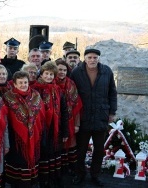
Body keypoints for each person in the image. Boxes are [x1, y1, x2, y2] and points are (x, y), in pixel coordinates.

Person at [70, 49, 117, 187]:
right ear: (84, 58)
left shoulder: (106, 71)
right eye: (89, 57)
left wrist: (112, 112)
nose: (92, 60)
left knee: (99, 149)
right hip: (83, 117)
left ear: (99, 58)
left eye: (95, 57)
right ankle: (80, 173)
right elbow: (72, 94)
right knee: (81, 149)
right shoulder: (76, 73)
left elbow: (112, 93)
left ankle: (95, 175)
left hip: (101, 116)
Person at [3, 71, 45, 188]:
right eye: (20, 83)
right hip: (16, 139)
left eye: (25, 82)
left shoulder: (36, 95)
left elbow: (41, 116)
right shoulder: (7, 97)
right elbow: (5, 118)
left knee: (30, 165)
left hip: (34, 136)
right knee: (18, 168)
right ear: (14, 84)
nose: (23, 85)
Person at [31, 61, 68, 188]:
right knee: (43, 155)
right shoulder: (35, 89)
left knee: (54, 154)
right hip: (41, 129)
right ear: (41, 74)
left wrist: (65, 131)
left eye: (51, 74)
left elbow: (64, 110)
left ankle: (53, 179)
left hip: (55, 128)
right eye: (46, 73)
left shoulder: (57, 89)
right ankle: (43, 181)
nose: (49, 77)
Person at [55, 59, 83, 176]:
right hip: (56, 122)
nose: (62, 72)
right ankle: (58, 173)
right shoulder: (51, 83)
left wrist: (77, 124)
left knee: (70, 146)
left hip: (70, 121)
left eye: (64, 70)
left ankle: (70, 172)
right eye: (59, 69)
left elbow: (77, 104)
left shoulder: (71, 84)